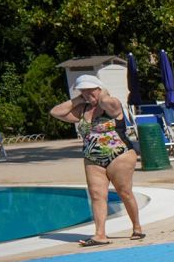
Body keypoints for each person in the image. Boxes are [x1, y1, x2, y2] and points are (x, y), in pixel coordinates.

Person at [49, 75, 144, 246]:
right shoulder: (82, 109)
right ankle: (100, 235)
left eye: (90, 89)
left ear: (99, 88)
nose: (86, 94)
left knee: (124, 192)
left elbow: (110, 104)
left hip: (119, 155)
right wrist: (79, 98)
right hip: (92, 157)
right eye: (82, 91)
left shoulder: (111, 104)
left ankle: (137, 227)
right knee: (97, 195)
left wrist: (102, 95)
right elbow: (56, 112)